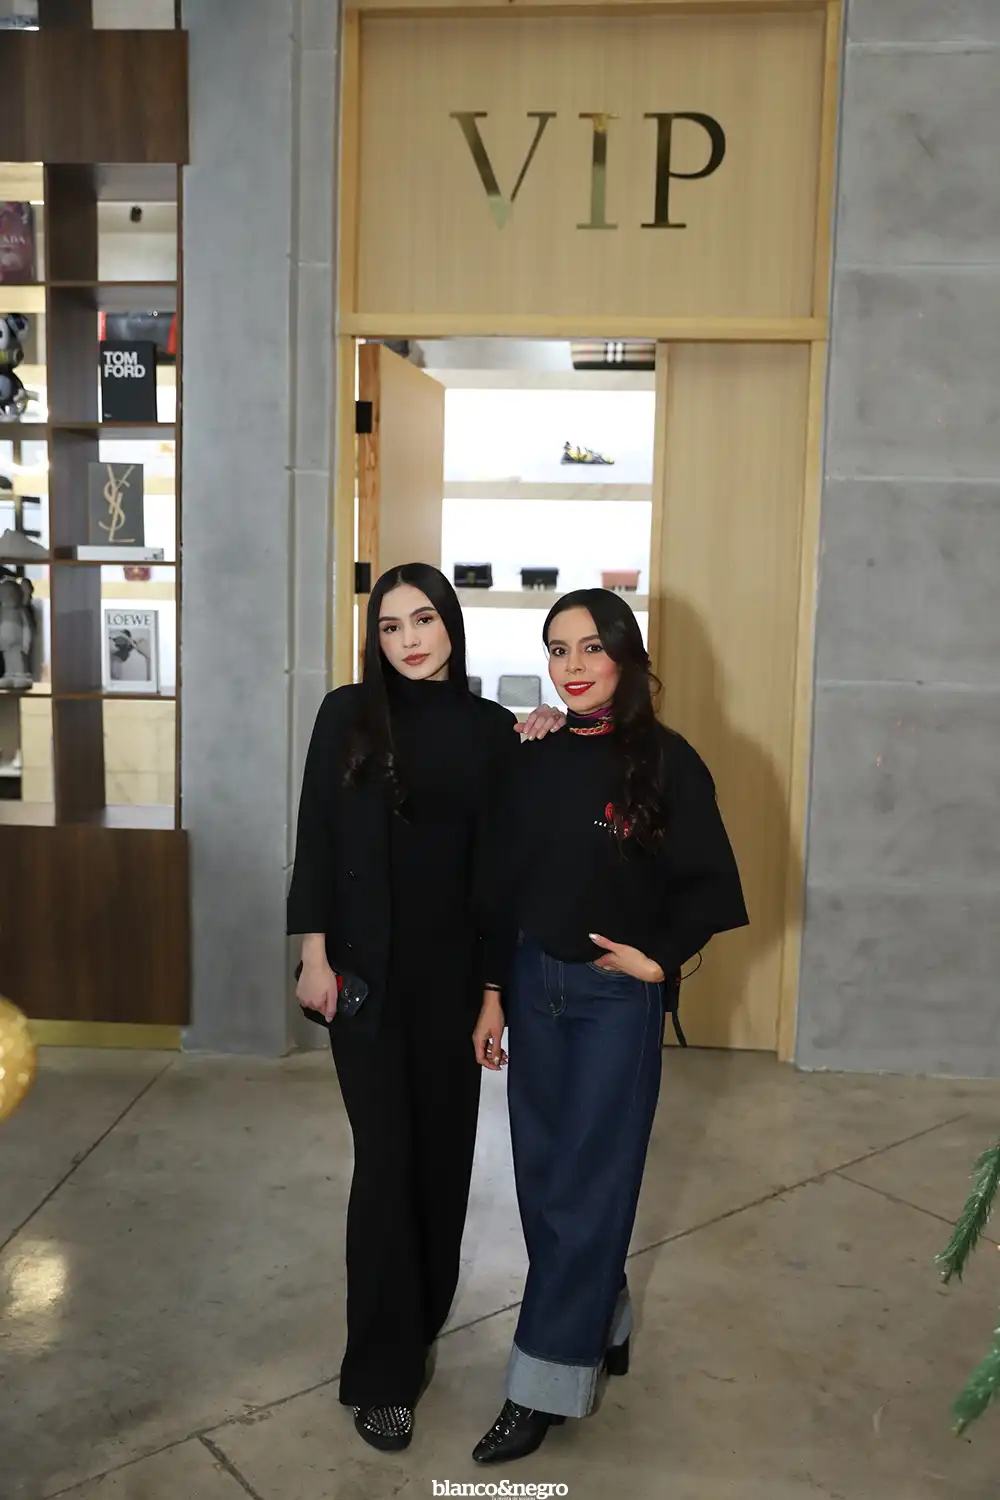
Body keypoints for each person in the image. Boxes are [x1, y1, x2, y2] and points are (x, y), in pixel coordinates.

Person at [287, 562, 562, 1454]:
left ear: (451, 625)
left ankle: (419, 1321)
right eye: (391, 625)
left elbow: (502, 876)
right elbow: (316, 836)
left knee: (443, 1167)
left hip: (453, 984)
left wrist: (493, 995)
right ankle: (381, 1373)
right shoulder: (347, 713)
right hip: (362, 980)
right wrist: (312, 953)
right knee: (385, 1166)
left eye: (424, 620)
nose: (408, 639)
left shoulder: (490, 732)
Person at [471, 588, 748, 1464]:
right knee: (544, 1181)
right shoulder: (533, 756)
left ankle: (540, 1385)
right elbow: (500, 885)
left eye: (592, 647)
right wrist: (493, 992)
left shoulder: (668, 762)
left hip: (611, 1003)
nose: (574, 666)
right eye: (558, 649)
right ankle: (605, 1313)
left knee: (589, 1183)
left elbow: (712, 884)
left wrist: (658, 961)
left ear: (626, 655)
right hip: (531, 985)